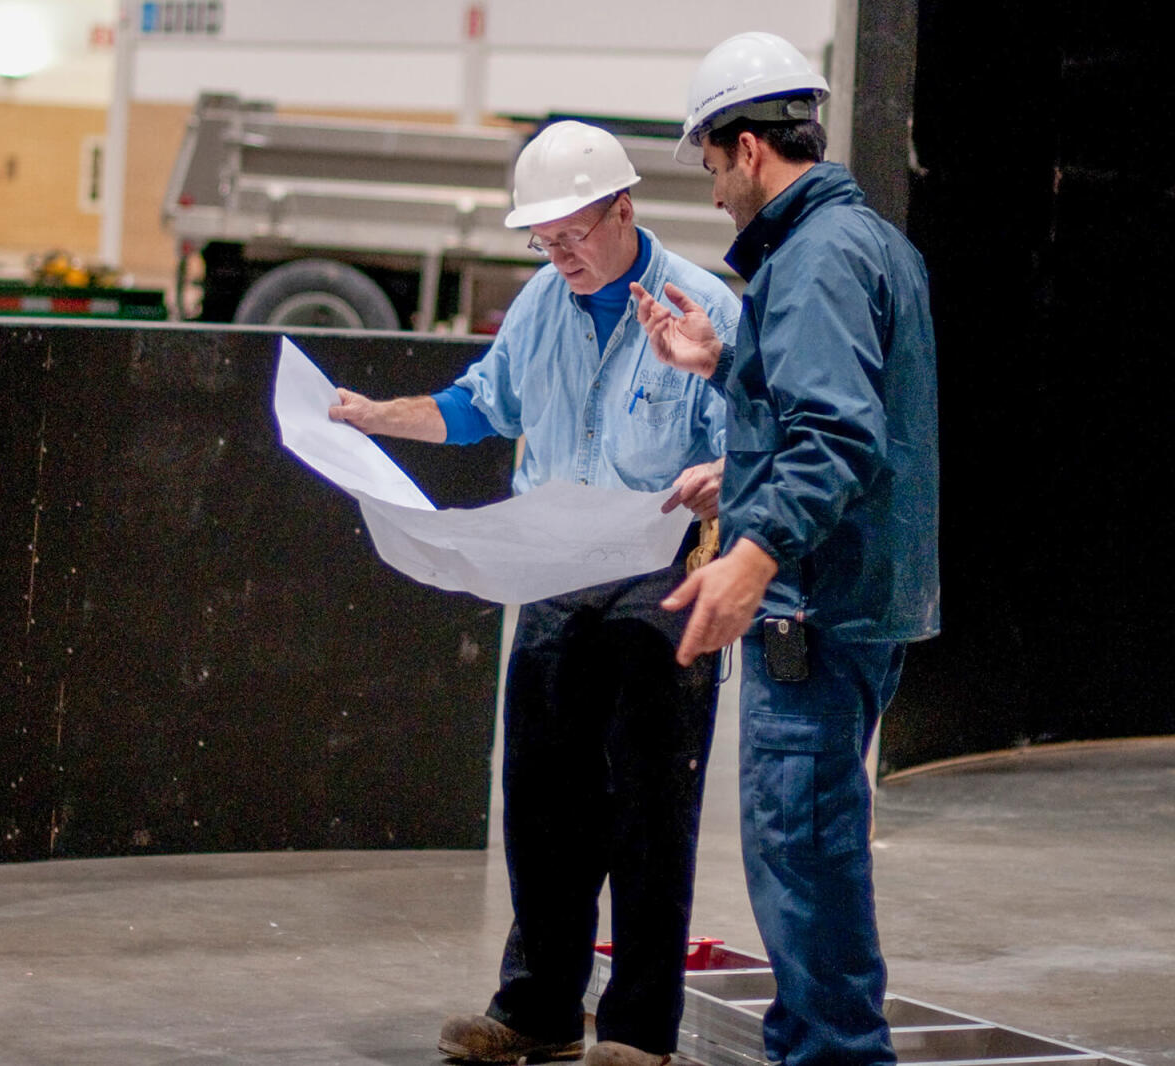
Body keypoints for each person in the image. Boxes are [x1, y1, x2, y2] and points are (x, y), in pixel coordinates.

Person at [329, 121, 741, 1066]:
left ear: (624, 210)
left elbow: (753, 426)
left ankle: (639, 1033)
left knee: (648, 811)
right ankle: (539, 1012)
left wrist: (724, 471)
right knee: (542, 805)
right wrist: (374, 419)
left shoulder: (702, 305)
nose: (560, 258)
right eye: (543, 243)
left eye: (574, 237)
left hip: (658, 579)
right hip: (555, 578)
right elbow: (480, 404)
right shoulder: (539, 306)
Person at [630, 32, 941, 1066]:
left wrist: (752, 552)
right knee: (805, 848)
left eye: (711, 164)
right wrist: (723, 369)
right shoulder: (867, 241)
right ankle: (815, 1045)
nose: (714, 191)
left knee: (800, 854)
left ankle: (835, 1057)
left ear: (751, 149)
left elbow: (836, 434)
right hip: (859, 592)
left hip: (814, 604)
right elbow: (851, 418)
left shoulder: (810, 258)